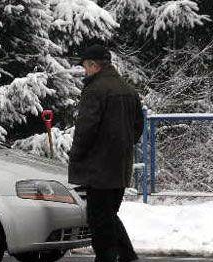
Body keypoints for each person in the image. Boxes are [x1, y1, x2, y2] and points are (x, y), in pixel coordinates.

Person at [68, 45, 144, 262]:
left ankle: (108, 258)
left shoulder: (95, 90)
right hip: (120, 167)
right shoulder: (128, 90)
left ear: (93, 65)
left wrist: (78, 156)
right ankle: (128, 257)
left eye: (85, 67)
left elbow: (86, 129)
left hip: (98, 169)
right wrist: (123, 146)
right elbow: (139, 125)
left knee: (100, 222)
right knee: (109, 216)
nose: (85, 72)